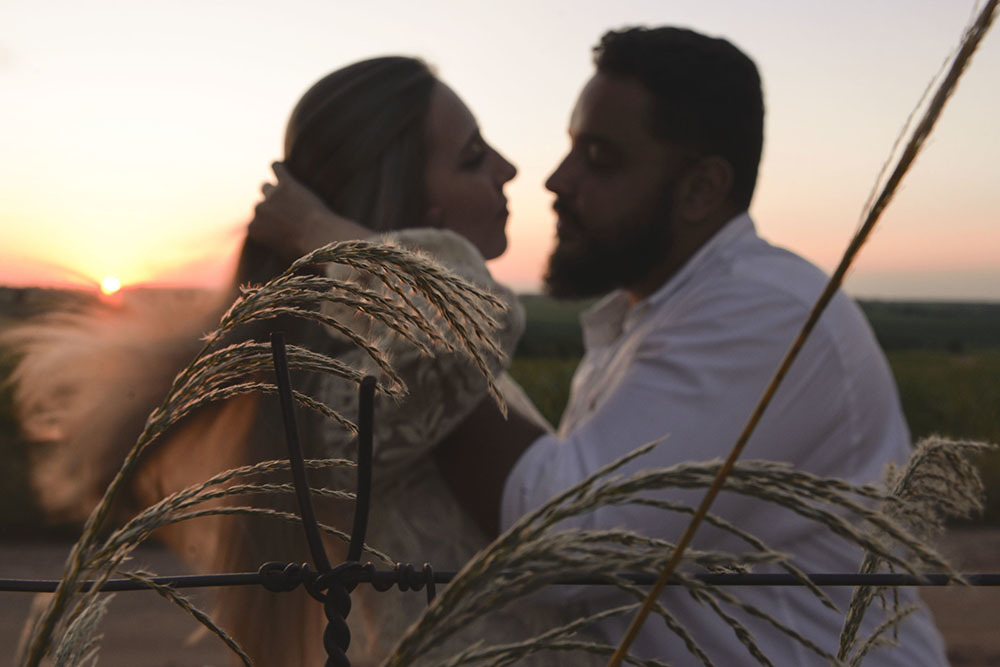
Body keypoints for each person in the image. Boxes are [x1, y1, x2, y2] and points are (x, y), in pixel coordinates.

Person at [6, 56, 580, 666]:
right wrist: (321, 230)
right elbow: (478, 314)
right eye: (471, 157)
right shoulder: (348, 376)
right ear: (416, 208)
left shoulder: (390, 354)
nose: (509, 168)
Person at [434, 27, 950, 665]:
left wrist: (409, 318)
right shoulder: (648, 316)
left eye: (600, 159)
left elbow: (566, 540)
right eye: (572, 149)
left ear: (701, 189)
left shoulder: (764, 312)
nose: (558, 181)